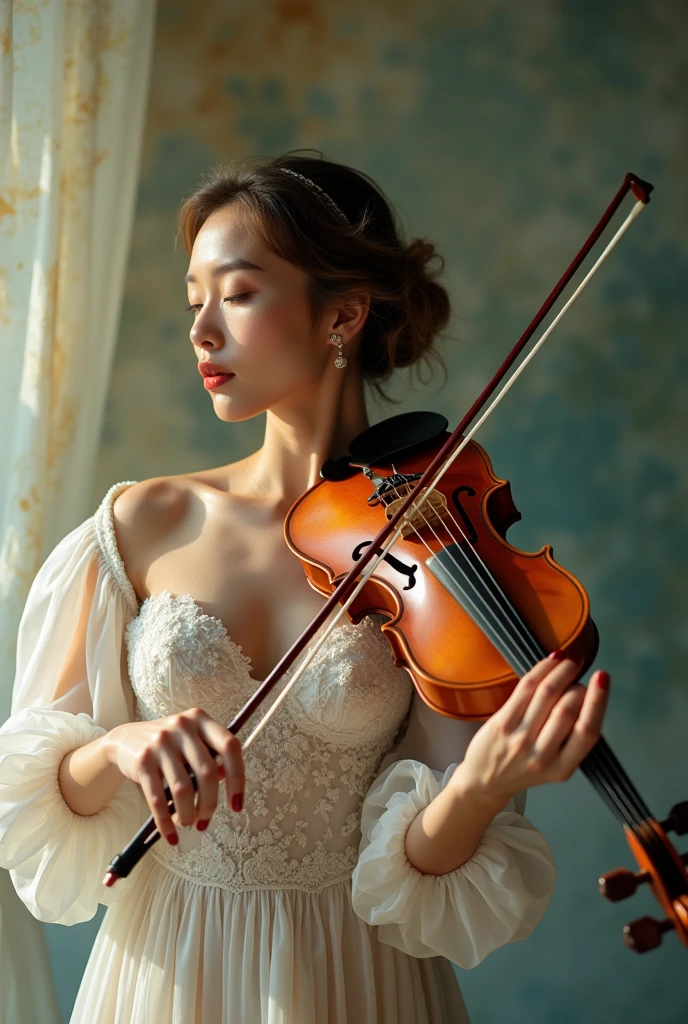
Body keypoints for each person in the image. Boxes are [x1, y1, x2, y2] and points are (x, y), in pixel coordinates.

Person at [0, 153, 610, 1023]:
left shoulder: (435, 545)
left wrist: (478, 788)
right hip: (164, 970)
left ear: (345, 313)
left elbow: (416, 873)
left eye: (238, 294)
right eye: (193, 302)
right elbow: (37, 790)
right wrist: (118, 749)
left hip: (356, 979)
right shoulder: (140, 526)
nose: (202, 331)